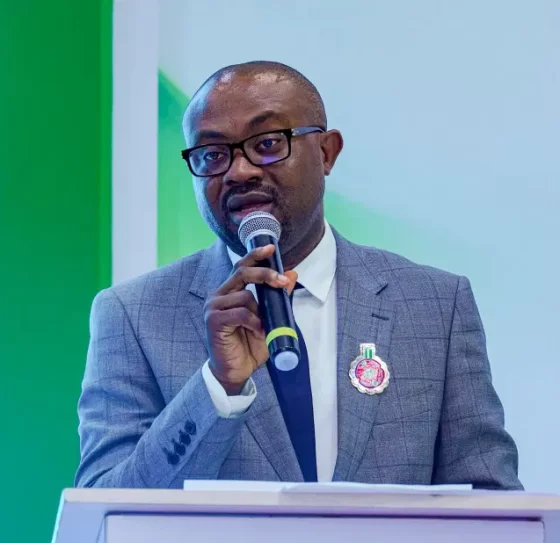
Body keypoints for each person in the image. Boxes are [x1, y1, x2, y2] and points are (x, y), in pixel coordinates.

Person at [75, 61, 522, 490]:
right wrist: (219, 386)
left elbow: (489, 501)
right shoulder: (132, 315)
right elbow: (107, 507)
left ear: (327, 152)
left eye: (268, 144)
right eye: (213, 155)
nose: (239, 171)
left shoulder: (435, 305)